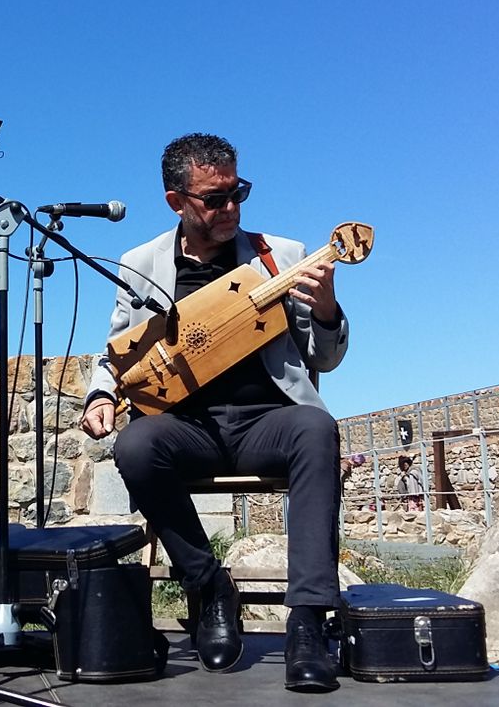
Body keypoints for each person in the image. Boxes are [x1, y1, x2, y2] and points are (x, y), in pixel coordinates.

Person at [81, 133, 348, 693]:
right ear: (177, 201)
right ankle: (209, 590)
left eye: (237, 193)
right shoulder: (140, 263)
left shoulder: (283, 255)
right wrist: (101, 395)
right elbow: (119, 352)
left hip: (266, 420)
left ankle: (307, 623)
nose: (231, 208)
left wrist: (325, 308)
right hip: (188, 427)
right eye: (214, 198)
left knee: (317, 428)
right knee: (135, 445)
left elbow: (326, 357)